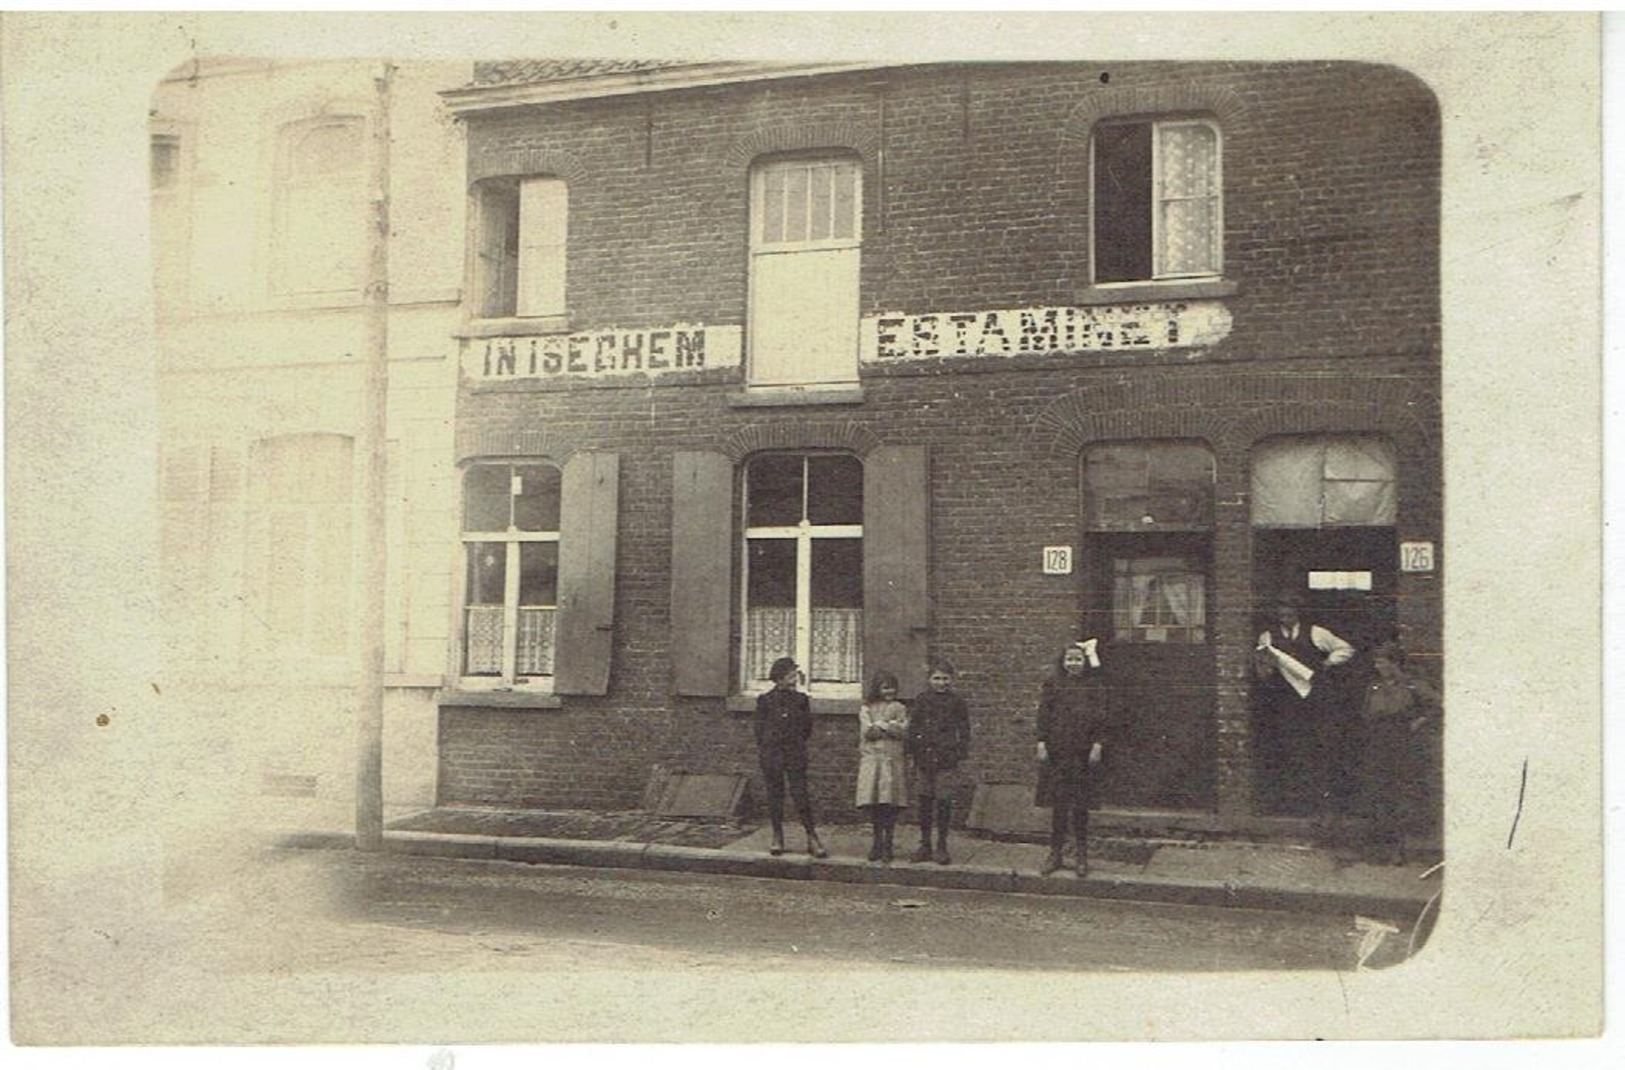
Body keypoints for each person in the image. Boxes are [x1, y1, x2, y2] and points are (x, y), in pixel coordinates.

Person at [1253, 592, 1356, 816]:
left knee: (1317, 743)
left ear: (1297, 614)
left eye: (1290, 613)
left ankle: (1318, 799)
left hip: (1314, 697)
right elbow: (1263, 661)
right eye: (1282, 614)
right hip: (1285, 699)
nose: (1286, 618)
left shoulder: (1317, 633)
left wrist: (1327, 663)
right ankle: (1292, 798)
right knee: (1290, 744)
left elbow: (1346, 649)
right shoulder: (1267, 637)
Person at [1356, 640, 1442, 864]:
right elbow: (1366, 713)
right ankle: (1378, 851)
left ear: (1395, 663)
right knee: (1378, 795)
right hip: (1378, 746)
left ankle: (1400, 850)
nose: (1378, 667)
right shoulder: (1374, 687)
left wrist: (1418, 722)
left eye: (1383, 662)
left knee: (1401, 797)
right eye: (1376, 662)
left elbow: (1437, 706)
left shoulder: (1413, 686)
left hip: (1403, 746)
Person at [1035, 639, 1115, 878]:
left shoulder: (1093, 686)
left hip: (1082, 754)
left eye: (1077, 659)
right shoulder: (1052, 685)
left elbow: (1102, 717)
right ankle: (1055, 853)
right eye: (1069, 659)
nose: (1073, 664)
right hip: (1058, 752)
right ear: (1063, 662)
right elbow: (1044, 715)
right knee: (1059, 804)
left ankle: (1081, 855)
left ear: (1084, 662)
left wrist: (1098, 744)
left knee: (1080, 806)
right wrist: (1041, 742)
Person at [753, 656, 827, 858]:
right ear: (779, 677)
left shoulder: (801, 700)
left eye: (794, 674)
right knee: (775, 795)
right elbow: (759, 731)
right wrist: (770, 748)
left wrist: (794, 743)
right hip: (773, 754)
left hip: (795, 753)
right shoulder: (765, 701)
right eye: (790, 674)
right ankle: (777, 836)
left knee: (801, 795)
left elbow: (806, 728)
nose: (794, 678)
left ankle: (812, 836)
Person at [906, 658, 972, 865]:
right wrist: (912, 753)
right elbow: (913, 728)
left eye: (945, 679)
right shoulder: (922, 700)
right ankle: (925, 844)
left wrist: (958, 753)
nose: (941, 683)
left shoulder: (957, 702)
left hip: (946, 759)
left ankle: (941, 845)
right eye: (936, 678)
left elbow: (965, 730)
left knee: (943, 802)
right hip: (924, 758)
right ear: (929, 680)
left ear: (951, 680)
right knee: (925, 801)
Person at [855, 669, 910, 863]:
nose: (890, 691)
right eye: (885, 687)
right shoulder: (867, 708)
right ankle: (877, 842)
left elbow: (902, 731)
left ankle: (888, 842)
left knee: (889, 803)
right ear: (877, 688)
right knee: (875, 802)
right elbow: (869, 733)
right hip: (873, 761)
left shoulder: (900, 707)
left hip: (892, 761)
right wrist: (887, 726)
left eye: (893, 688)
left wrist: (883, 725)